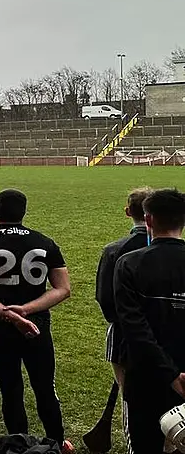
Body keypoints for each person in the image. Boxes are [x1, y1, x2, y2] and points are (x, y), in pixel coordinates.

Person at [0, 189, 72, 451]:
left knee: (10, 388)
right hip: (36, 326)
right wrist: (26, 310)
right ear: (24, 212)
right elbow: (63, 289)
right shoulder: (45, 242)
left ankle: (19, 445)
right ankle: (56, 444)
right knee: (45, 386)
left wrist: (8, 314)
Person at [115, 189, 185, 454]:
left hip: (146, 378)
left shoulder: (129, 264)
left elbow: (135, 330)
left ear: (148, 220)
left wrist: (170, 375)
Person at [95, 187, 151, 391]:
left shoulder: (113, 250)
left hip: (123, 334)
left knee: (128, 397)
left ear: (128, 211)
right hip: (167, 330)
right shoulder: (173, 249)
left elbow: (104, 297)